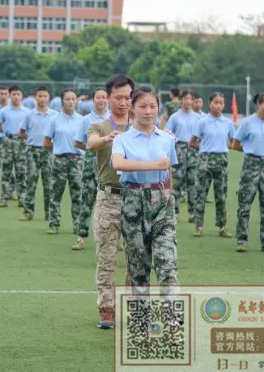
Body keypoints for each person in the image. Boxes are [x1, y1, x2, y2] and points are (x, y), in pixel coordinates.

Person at [111, 86, 182, 339]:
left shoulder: (166, 138)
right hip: (133, 201)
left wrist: (169, 197)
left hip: (162, 202)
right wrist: (152, 165)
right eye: (142, 106)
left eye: (153, 106)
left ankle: (173, 324)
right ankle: (142, 324)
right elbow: (118, 164)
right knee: (139, 267)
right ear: (133, 108)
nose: (148, 111)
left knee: (167, 264)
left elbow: (169, 172)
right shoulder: (122, 139)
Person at [86, 74, 134, 329]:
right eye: (118, 98)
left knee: (136, 258)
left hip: (137, 198)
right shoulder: (101, 126)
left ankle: (135, 308)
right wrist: (106, 139)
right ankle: (106, 308)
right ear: (108, 98)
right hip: (108, 198)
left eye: (128, 97)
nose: (124, 103)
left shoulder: (142, 126)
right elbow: (91, 143)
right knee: (106, 257)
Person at [231, 93, 264, 254]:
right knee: (244, 204)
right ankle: (242, 240)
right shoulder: (247, 122)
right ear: (259, 105)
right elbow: (235, 144)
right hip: (251, 165)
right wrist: (249, 151)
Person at [189, 92, 235, 237]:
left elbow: (233, 141)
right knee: (201, 194)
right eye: (216, 102)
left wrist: (226, 147)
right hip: (205, 160)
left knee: (221, 195)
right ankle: (198, 226)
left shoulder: (228, 123)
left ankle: (222, 226)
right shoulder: (202, 122)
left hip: (221, 160)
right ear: (210, 104)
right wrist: (204, 150)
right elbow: (192, 142)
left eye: (221, 103)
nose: (218, 105)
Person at [73, 88, 110, 250]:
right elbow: (78, 142)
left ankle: (115, 239)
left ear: (108, 99)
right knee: (87, 198)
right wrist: (91, 148)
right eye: (98, 97)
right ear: (93, 100)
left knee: (112, 200)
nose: (101, 100)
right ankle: (81, 237)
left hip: (109, 162)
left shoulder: (113, 119)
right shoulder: (86, 119)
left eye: (104, 97)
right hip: (90, 162)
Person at [44, 88, 84, 235]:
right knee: (55, 193)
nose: (71, 102)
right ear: (62, 101)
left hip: (77, 160)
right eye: (68, 99)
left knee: (77, 194)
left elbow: (85, 142)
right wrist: (60, 146)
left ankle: (78, 224)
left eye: (73, 99)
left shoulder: (81, 120)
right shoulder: (54, 119)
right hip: (59, 160)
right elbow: (46, 142)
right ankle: (54, 224)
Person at [19, 86, 57, 222]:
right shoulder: (29, 114)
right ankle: (28, 211)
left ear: (49, 98)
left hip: (48, 152)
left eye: (45, 96)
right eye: (39, 96)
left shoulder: (54, 115)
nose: (42, 99)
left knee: (48, 184)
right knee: (30, 181)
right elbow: (21, 132)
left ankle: (49, 213)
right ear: (35, 97)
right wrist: (30, 138)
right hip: (32, 151)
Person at [165, 89, 201, 220]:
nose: (188, 102)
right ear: (181, 100)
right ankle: (175, 211)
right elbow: (167, 133)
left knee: (193, 180)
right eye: (185, 99)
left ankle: (192, 212)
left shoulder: (198, 117)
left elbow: (201, 134)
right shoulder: (175, 117)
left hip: (193, 150)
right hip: (179, 149)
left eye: (190, 99)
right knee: (177, 181)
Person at [0, 85, 30, 208]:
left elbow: (30, 129)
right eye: (14, 94)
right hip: (8, 141)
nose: (16, 97)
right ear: (10, 95)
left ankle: (22, 198)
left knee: (21, 171)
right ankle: (4, 198)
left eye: (18, 94)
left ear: (22, 96)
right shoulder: (4, 111)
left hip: (21, 142)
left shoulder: (27, 112)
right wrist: (7, 132)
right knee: (6, 171)